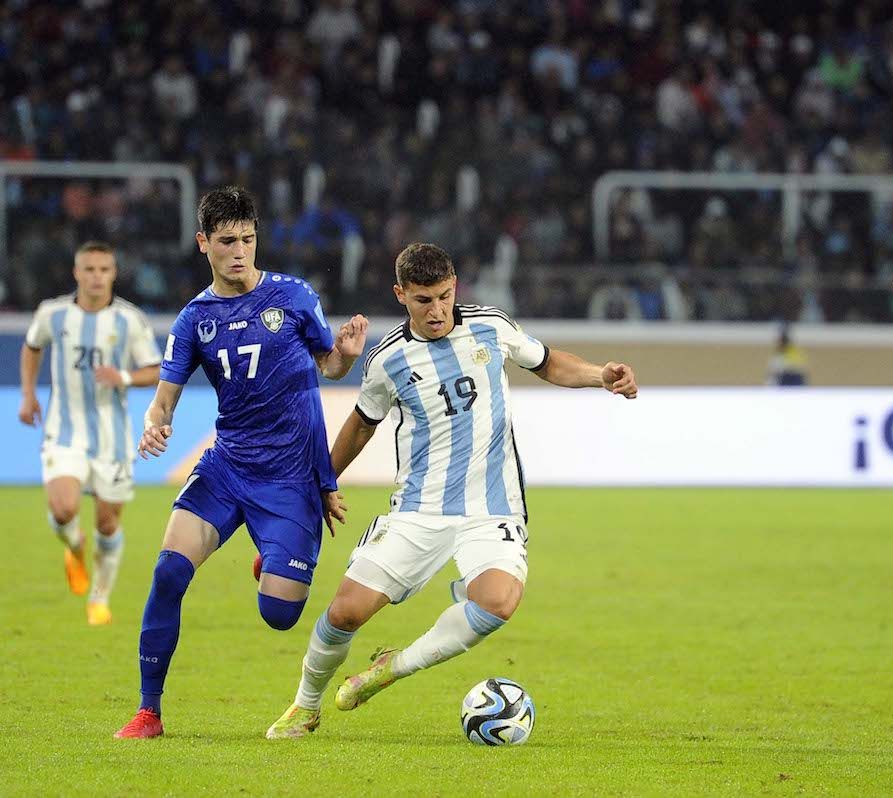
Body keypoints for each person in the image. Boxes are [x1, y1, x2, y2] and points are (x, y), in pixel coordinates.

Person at [263, 242, 638, 739]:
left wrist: (599, 375)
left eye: (444, 296)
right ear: (401, 294)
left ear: (455, 286)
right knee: (345, 612)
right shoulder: (387, 359)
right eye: (423, 300)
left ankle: (393, 667)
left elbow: (548, 363)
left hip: (492, 507)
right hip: (418, 509)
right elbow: (361, 425)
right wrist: (321, 483)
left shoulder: (491, 327)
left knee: (498, 601)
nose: (437, 310)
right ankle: (305, 706)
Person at [113, 187, 368, 739]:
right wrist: (155, 424)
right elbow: (164, 399)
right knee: (168, 572)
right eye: (227, 241)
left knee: (279, 615)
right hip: (228, 467)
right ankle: (149, 711)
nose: (239, 251)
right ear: (203, 243)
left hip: (292, 478)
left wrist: (345, 356)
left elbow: (328, 366)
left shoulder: (293, 295)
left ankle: (270, 555)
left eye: (248, 239)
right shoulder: (193, 319)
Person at [19, 241, 162, 625]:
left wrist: (123, 377)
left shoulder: (129, 320)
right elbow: (31, 347)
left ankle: (99, 597)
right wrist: (29, 394)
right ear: (76, 273)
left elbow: (155, 370)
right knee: (63, 509)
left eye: (104, 270)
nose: (96, 277)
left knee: (107, 523)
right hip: (63, 432)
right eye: (89, 269)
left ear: (113, 274)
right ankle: (74, 544)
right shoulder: (53, 314)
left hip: (112, 438)